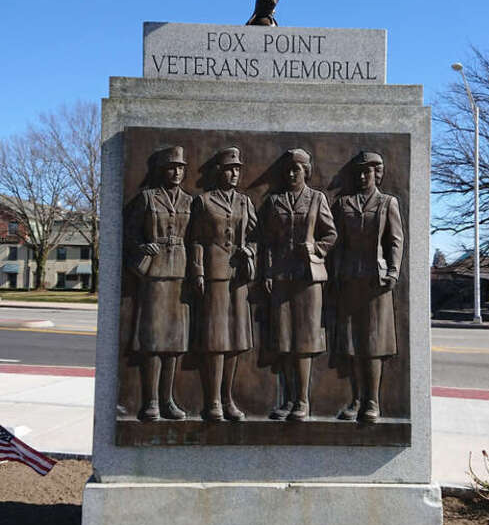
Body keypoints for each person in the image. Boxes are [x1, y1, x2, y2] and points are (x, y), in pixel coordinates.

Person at [260, 148, 337, 420]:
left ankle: (302, 401)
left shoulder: (317, 199)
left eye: (297, 169)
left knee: (304, 340)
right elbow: (267, 242)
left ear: (306, 171)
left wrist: (316, 249)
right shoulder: (275, 201)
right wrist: (268, 272)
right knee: (284, 339)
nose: (292, 174)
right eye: (289, 170)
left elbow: (331, 233)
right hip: (281, 277)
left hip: (307, 279)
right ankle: (286, 399)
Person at [333, 151, 404, 422]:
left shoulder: (388, 203)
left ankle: (372, 401)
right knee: (352, 344)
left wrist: (394, 272)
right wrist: (336, 274)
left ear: (377, 174)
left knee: (373, 343)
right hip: (350, 279)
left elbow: (395, 240)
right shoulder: (344, 204)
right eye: (359, 173)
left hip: (377, 281)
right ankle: (354, 399)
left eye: (368, 172)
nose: (363, 177)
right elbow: (337, 243)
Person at [125, 145, 192, 422]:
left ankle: (168, 399)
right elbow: (129, 234)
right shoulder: (147, 198)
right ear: (162, 171)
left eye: (180, 168)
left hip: (180, 273)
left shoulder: (190, 201)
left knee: (174, 342)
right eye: (171, 168)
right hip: (153, 274)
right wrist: (142, 247)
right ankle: (150, 401)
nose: (176, 172)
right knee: (153, 340)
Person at [190, 147, 257, 422]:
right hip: (214, 274)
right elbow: (194, 239)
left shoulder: (244, 202)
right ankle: (213, 400)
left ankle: (228, 398)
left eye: (238, 170)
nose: (234, 174)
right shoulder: (203, 202)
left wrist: (250, 252)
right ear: (219, 172)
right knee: (216, 340)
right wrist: (197, 272)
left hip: (237, 277)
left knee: (235, 340)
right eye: (229, 169)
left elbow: (255, 235)